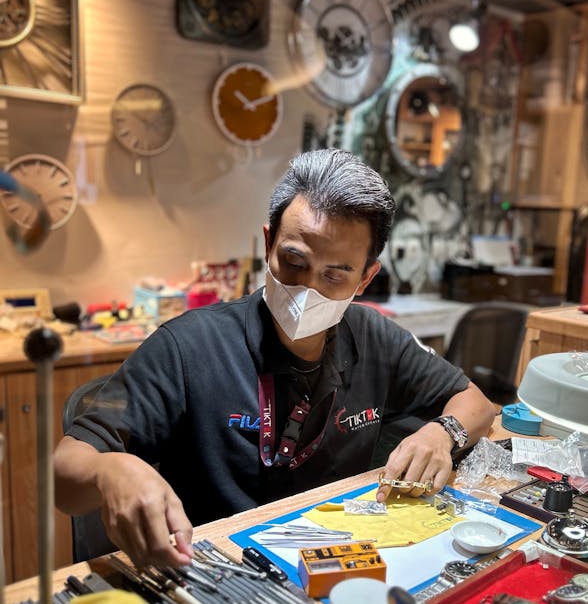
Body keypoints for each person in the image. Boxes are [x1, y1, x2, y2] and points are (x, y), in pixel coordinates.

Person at [55, 150, 495, 567]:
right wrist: (107, 469)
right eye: (294, 262)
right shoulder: (189, 347)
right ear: (268, 244)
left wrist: (442, 434)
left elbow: (475, 403)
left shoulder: (374, 337)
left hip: (337, 557)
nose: (308, 289)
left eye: (335, 275)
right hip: (218, 570)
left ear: (366, 278)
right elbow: (65, 472)